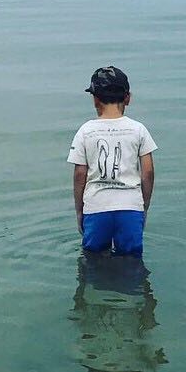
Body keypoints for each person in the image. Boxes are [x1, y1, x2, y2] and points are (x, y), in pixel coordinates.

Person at [68, 66, 158, 256]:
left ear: (95, 99)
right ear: (128, 98)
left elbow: (79, 174)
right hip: (130, 207)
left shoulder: (85, 131)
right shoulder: (138, 129)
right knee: (133, 264)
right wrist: (144, 207)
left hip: (96, 207)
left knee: (93, 261)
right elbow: (148, 173)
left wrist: (79, 211)